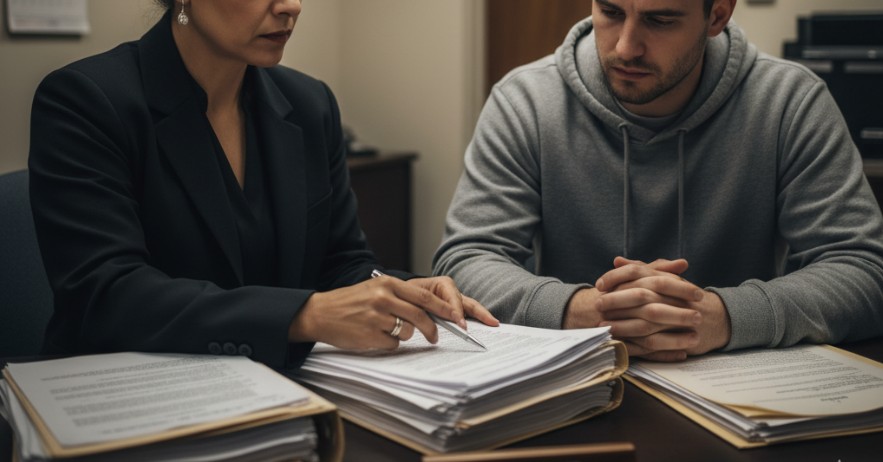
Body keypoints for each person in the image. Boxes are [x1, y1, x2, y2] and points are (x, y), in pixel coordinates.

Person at [28, 0, 497, 369]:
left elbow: (341, 262)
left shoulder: (309, 104)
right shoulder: (86, 100)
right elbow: (107, 295)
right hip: (127, 393)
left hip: (276, 389)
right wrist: (304, 315)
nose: (291, 5)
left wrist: (407, 291)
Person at [433, 0, 883, 362]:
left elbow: (863, 272)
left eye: (660, 20)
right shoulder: (526, 100)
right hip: (572, 386)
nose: (626, 47)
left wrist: (723, 317)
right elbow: (466, 259)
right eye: (610, 12)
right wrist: (582, 310)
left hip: (741, 387)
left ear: (718, 15)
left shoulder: (789, 102)